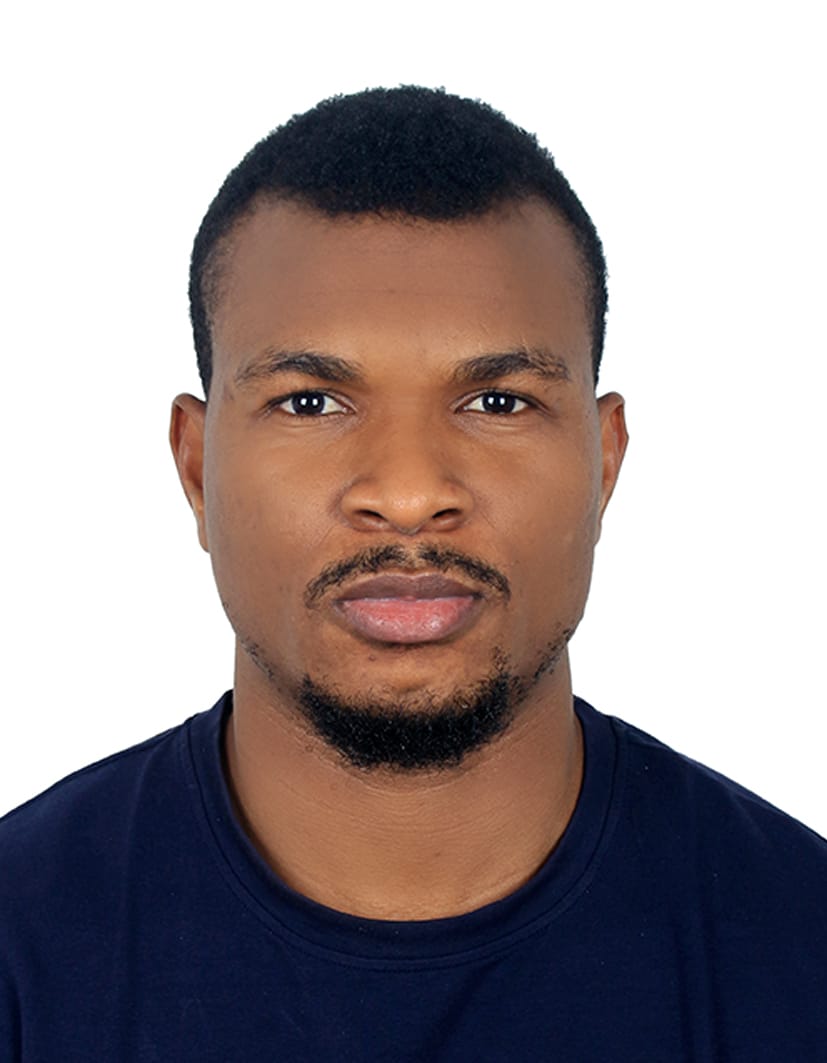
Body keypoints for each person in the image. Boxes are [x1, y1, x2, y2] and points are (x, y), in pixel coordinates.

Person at [1, 86, 825, 1062]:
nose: (406, 493)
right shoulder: (23, 948)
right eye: (310, 402)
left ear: (602, 463)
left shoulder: (799, 948)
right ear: (195, 468)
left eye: (496, 401)